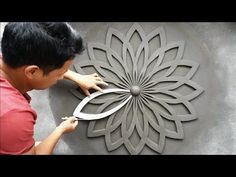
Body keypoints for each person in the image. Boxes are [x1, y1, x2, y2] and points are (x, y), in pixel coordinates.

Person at [0, 22, 108, 155]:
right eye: (60, 73)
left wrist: (76, 77)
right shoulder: (15, 117)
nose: (62, 76)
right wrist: (61, 129)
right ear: (33, 72)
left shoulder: (10, 57)